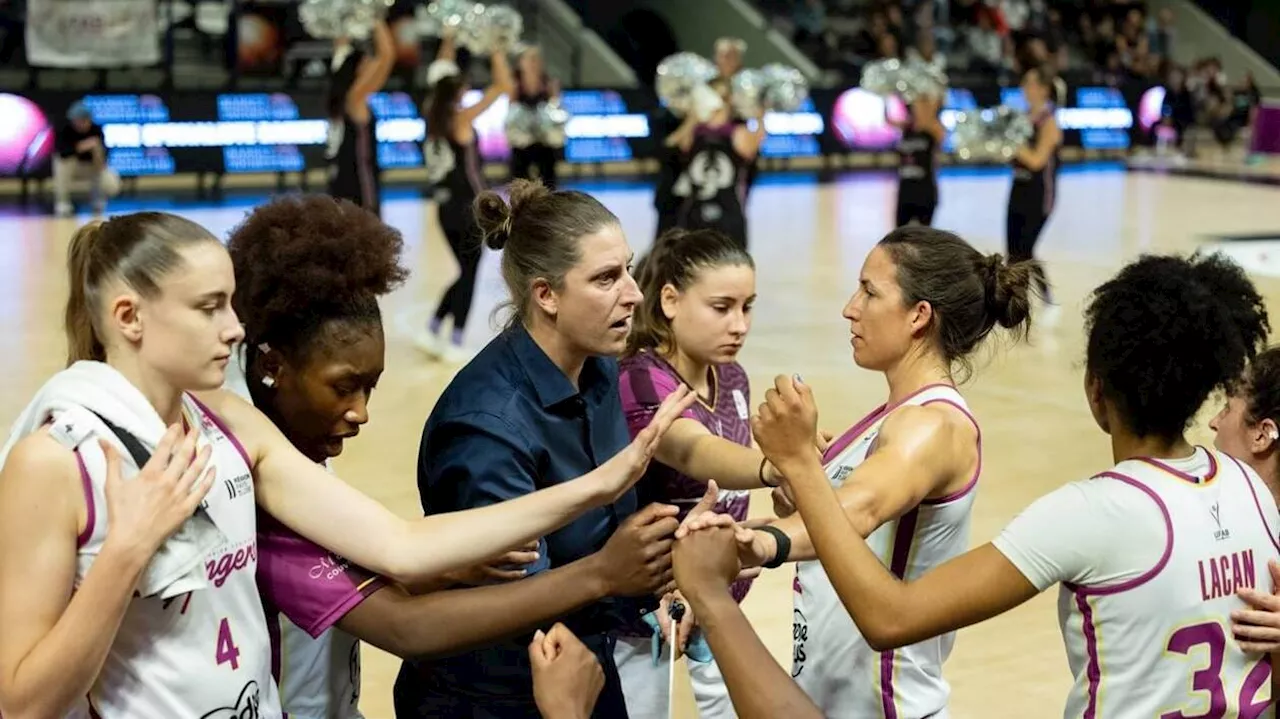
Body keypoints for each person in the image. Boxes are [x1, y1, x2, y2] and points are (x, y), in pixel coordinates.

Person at [0, 210, 691, 718]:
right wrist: (125, 552)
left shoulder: (228, 423)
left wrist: (605, 481)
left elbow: (402, 545)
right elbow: (22, 701)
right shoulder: (56, 459)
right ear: (129, 316)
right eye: (210, 307)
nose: (234, 327)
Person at [748, 252, 1279, 719]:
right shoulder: (1252, 489)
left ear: (1097, 389)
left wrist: (799, 464)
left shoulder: (1092, 512)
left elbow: (891, 617)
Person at [223, 194, 690, 718]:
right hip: (502, 692)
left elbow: (374, 568)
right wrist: (605, 566)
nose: (362, 413)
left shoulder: (297, 451)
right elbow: (403, 619)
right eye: (344, 388)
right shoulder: (248, 477)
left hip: (574, 665)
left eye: (371, 387)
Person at [686, 225, 1034, 718]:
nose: (850, 307)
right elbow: (835, 524)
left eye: (870, 292)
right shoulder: (890, 416)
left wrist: (764, 539)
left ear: (919, 316)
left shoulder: (931, 425)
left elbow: (858, 512)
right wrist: (734, 536)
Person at [396, 179, 688, 718]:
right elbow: (519, 602)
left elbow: (611, 531)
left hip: (586, 659)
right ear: (546, 295)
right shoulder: (486, 425)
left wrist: (669, 571)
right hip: (496, 693)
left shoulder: (598, 367)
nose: (634, 293)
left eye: (627, 268)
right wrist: (616, 568)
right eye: (606, 278)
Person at [615, 228, 776, 717]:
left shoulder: (733, 377)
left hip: (719, 593)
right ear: (669, 300)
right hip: (646, 609)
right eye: (721, 307)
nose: (739, 325)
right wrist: (780, 467)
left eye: (747, 306)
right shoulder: (639, 377)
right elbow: (692, 451)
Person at [419, 34, 513, 362]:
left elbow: (440, 73)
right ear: (456, 91)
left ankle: (433, 326)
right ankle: (455, 339)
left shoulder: (431, 115)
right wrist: (497, 48)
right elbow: (502, 87)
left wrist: (446, 37)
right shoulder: (460, 119)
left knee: (464, 271)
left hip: (445, 209)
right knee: (470, 273)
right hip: (469, 209)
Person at [666, 77, 764, 250]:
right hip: (695, 213)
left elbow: (751, 148)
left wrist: (760, 117)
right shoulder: (695, 131)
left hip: (728, 213)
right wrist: (693, 117)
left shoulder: (736, 132)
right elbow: (672, 145)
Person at [1006, 63, 1062, 324]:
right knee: (1013, 251)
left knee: (1025, 250)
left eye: (1028, 83)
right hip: (1017, 189)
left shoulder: (1049, 122)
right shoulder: (1022, 118)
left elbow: (1038, 160)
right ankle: (1015, 302)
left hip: (1040, 195)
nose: (1023, 88)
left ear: (1042, 89)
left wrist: (1013, 145)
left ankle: (1044, 296)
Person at [326, 21, 395, 216]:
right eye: (366, 62)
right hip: (359, 189)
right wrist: (375, 16)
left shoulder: (341, 98)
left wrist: (345, 17)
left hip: (339, 185)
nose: (371, 65)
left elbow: (340, 48)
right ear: (355, 72)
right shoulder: (354, 99)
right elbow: (387, 56)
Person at [888, 91, 945, 227]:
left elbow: (938, 99)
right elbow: (887, 119)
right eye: (916, 104)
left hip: (925, 192)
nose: (919, 108)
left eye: (923, 104)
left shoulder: (934, 130)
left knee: (923, 240)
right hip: (905, 191)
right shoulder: (906, 128)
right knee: (899, 239)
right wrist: (888, 94)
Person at [52, 101, 118, 218]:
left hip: (91, 168)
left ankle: (98, 200)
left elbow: (104, 157)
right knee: (61, 163)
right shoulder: (65, 130)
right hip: (72, 168)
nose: (80, 123)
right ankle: (63, 202)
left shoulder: (96, 130)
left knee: (111, 182)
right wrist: (82, 146)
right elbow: (62, 153)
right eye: (77, 120)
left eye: (84, 120)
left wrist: (97, 152)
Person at [509, 45, 562, 188]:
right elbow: (510, 113)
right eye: (529, 59)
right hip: (522, 140)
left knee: (548, 179)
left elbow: (556, 108)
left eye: (536, 59)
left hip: (544, 139)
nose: (533, 63)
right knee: (520, 178)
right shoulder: (514, 83)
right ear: (521, 62)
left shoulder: (549, 83)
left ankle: (549, 206)